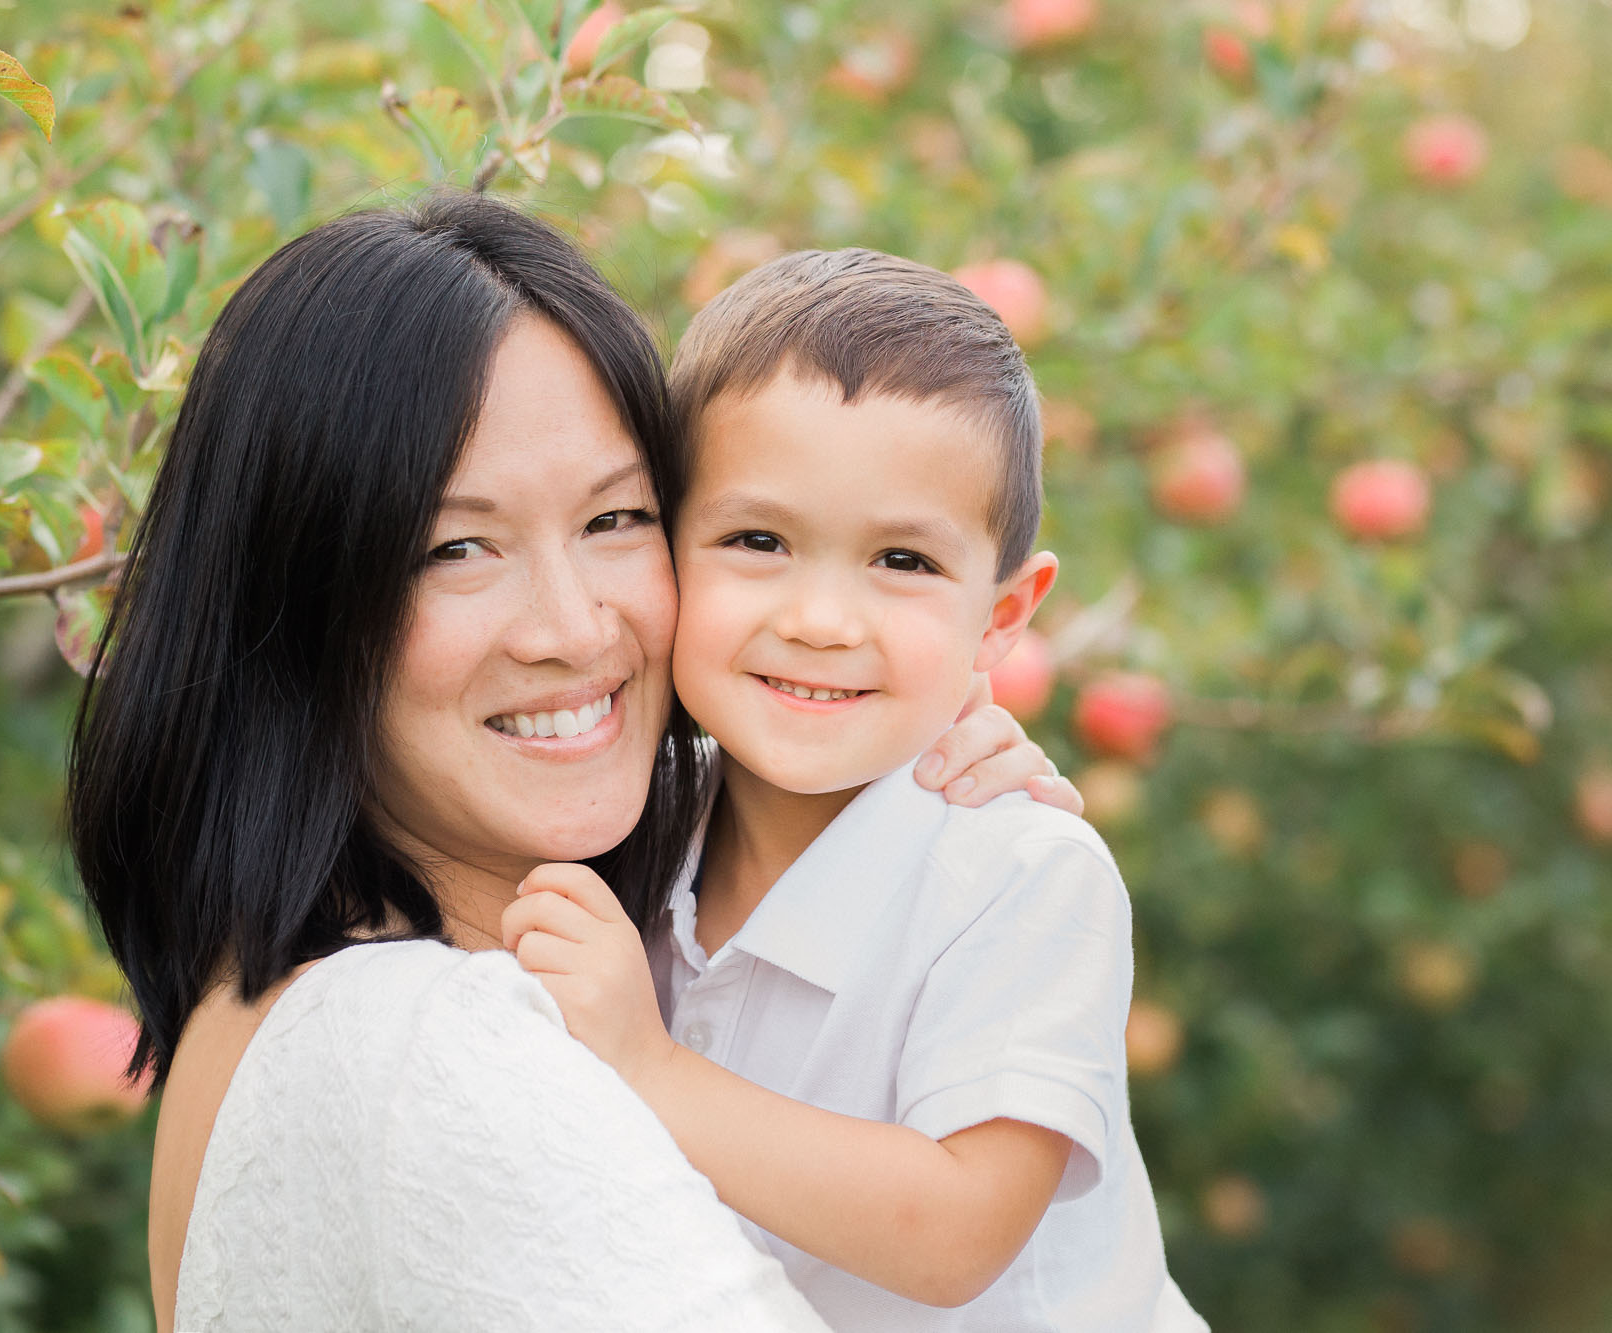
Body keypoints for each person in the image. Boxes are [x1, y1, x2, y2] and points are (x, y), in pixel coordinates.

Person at [65, 194, 1077, 1332]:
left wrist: (911, 761)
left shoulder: (297, 996)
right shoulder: (437, 1051)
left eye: (616, 520)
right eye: (456, 547)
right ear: (301, 603)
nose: (574, 628)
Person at [505, 249, 1207, 1330]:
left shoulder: (1016, 870)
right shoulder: (632, 817)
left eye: (902, 562)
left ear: (1005, 611)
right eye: (757, 541)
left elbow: (954, 1231)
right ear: (664, 550)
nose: (822, 619)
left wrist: (644, 1062)